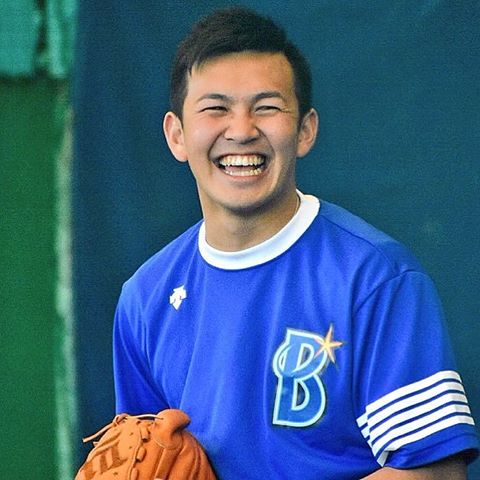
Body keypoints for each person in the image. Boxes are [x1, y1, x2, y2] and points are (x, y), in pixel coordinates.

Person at [113, 7, 478, 479]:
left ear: (305, 130)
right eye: (216, 108)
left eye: (266, 107)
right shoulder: (145, 299)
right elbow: (141, 459)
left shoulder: (375, 279)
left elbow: (436, 472)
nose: (241, 130)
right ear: (177, 135)